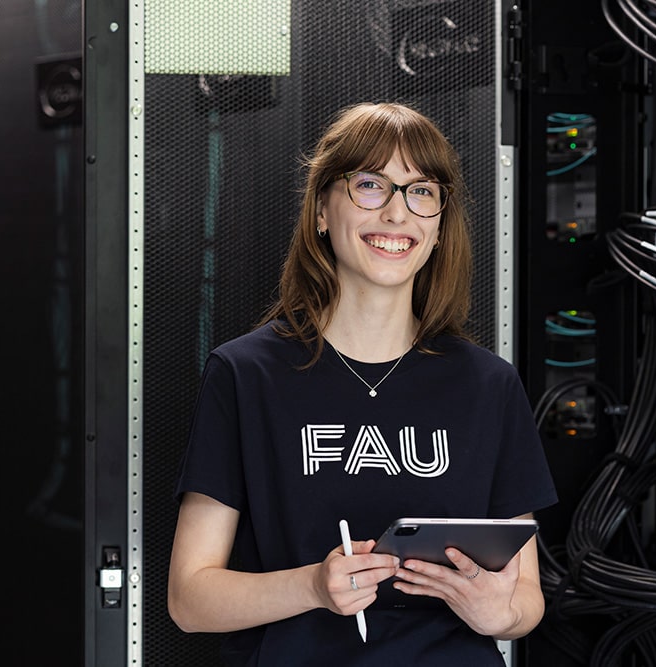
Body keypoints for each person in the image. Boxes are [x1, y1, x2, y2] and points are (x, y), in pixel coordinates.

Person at [168, 101, 557, 666]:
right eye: (371, 186)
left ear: (439, 224)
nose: (398, 214)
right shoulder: (245, 375)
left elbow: (525, 600)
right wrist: (312, 587)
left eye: (420, 192)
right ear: (322, 210)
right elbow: (189, 599)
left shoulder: (489, 385)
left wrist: (499, 614)